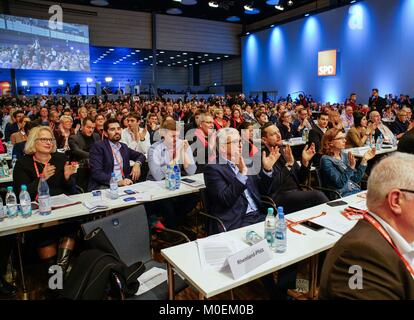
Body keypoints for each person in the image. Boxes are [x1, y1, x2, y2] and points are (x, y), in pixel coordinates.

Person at [319, 152, 414, 299]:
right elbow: (341, 182)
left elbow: (355, 179)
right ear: (396, 201)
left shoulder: (404, 237)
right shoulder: (360, 255)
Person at [203, 127, 276, 231]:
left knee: (282, 233)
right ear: (223, 147)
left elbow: (263, 191)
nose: (241, 145)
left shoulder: (247, 162)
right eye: (235, 142)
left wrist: (267, 170)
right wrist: (242, 173)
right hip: (236, 221)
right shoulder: (213, 168)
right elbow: (225, 200)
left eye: (240, 141)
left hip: (258, 214)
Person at [261, 123, 328, 213]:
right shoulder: (262, 156)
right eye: (273, 134)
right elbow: (272, 187)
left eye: (278, 132)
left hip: (296, 191)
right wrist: (288, 165)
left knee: (317, 198)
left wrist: (304, 162)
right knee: (317, 196)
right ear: (264, 139)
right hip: (278, 197)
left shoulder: (284, 150)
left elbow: (301, 179)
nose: (278, 135)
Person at [146, 120, 197, 229]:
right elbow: (158, 176)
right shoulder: (154, 149)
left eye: (178, 136)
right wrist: (175, 158)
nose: (176, 139)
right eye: (172, 136)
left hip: (175, 182)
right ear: (162, 134)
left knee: (194, 196)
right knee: (168, 201)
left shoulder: (181, 144)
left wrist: (185, 153)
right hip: (157, 185)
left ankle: (175, 223)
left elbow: (192, 171)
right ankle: (173, 228)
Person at [88, 119, 146, 191]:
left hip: (124, 184)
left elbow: (141, 156)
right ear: (105, 133)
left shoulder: (123, 147)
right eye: (112, 129)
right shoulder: (98, 147)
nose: (116, 132)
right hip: (105, 185)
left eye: (118, 129)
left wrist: (137, 164)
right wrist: (118, 182)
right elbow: (97, 173)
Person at [320, 128, 376, 198]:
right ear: (330, 142)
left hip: (354, 191)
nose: (345, 140)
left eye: (344, 138)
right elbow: (339, 184)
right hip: (341, 195)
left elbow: (355, 179)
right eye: (341, 138)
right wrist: (351, 167)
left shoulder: (344, 155)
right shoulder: (326, 160)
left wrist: (364, 161)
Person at [68, 117, 100, 191]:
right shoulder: (73, 138)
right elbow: (77, 151)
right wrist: (94, 156)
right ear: (82, 127)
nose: (91, 130)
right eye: (88, 127)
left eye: (93, 128)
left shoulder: (96, 136)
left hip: (96, 167)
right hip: (81, 168)